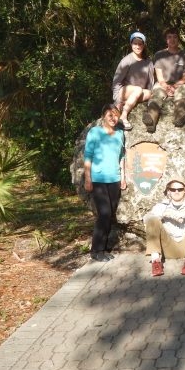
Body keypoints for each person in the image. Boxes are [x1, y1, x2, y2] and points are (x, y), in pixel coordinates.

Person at [83, 104, 127, 262]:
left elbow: (122, 156)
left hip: (114, 179)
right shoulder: (95, 132)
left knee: (109, 215)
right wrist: (88, 178)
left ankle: (104, 249)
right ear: (103, 117)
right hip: (98, 179)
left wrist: (123, 177)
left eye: (116, 115)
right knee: (104, 214)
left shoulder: (120, 134)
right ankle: (96, 250)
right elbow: (88, 156)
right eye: (110, 115)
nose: (113, 118)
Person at [143, 177, 185, 276]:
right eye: (172, 189)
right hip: (167, 247)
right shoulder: (162, 205)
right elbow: (146, 218)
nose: (176, 191)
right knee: (152, 220)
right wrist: (166, 214)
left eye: (180, 189)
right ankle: (156, 261)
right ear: (168, 192)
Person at [149, 28, 185, 130]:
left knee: (184, 89)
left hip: (179, 84)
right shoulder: (159, 55)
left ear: (178, 39)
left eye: (175, 37)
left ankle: (179, 116)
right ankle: (151, 119)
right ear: (166, 40)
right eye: (169, 37)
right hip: (162, 83)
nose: (172, 39)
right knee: (157, 93)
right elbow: (159, 77)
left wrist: (174, 86)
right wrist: (165, 87)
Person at [111, 32, 155, 131]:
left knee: (149, 93)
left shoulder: (148, 62)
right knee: (138, 89)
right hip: (124, 92)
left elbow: (150, 83)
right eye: (135, 44)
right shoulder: (126, 61)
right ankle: (123, 115)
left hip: (138, 93)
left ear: (144, 45)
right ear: (131, 44)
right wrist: (117, 100)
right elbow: (116, 82)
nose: (137, 46)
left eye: (140, 44)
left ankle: (126, 102)